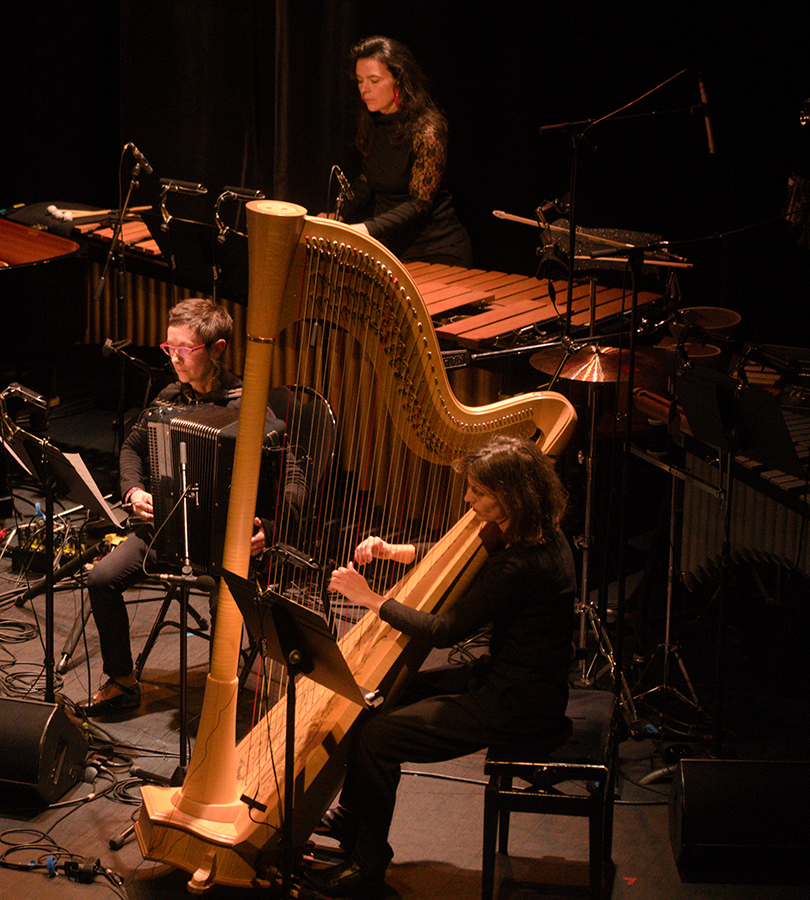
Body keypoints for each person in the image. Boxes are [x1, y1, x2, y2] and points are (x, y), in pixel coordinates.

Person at [314, 435, 576, 899]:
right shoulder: (536, 531)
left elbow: (444, 631)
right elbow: (457, 555)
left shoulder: (522, 563)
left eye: (478, 492)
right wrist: (397, 551)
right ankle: (355, 815)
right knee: (382, 691)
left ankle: (369, 863)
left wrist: (372, 599)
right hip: (512, 679)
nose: (467, 499)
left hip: (518, 704)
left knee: (378, 739)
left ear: (511, 495)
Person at [81, 298, 279, 716]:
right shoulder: (170, 396)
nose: (174, 359)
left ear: (218, 349)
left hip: (224, 545)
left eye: (184, 350)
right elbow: (133, 448)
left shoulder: (249, 404)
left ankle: (221, 703)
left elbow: (291, 475)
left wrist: (272, 529)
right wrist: (134, 492)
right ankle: (122, 679)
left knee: (223, 604)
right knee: (101, 579)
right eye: (169, 348)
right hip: (168, 531)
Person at [338, 35, 473, 267]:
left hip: (437, 251)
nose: (364, 89)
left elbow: (419, 204)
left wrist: (367, 227)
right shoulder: (373, 121)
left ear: (398, 80)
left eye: (374, 80)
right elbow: (368, 179)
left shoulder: (427, 130)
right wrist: (339, 214)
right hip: (393, 250)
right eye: (360, 81)